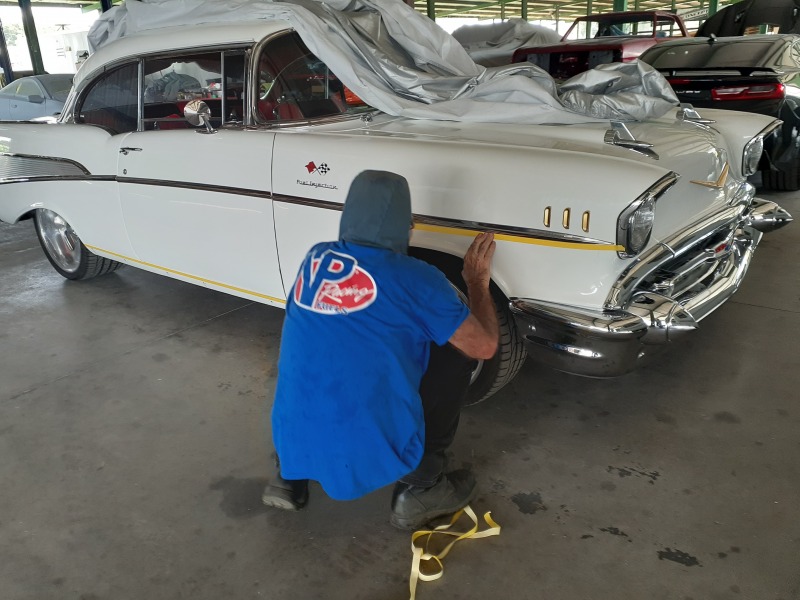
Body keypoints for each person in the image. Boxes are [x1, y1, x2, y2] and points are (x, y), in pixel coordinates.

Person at [263, 170, 499, 530]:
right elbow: (484, 346)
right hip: (368, 440)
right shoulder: (418, 277)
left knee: (322, 346)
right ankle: (422, 486)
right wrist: (477, 282)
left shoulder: (317, 258)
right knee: (457, 353)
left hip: (290, 438)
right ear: (405, 225)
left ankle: (289, 476)